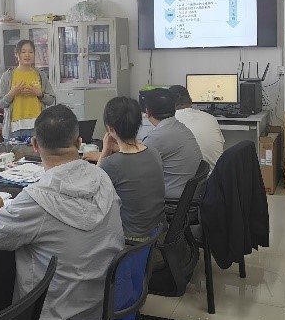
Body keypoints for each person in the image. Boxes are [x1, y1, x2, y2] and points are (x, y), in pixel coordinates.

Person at [0, 104, 124, 320]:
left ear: (34, 144)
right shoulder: (102, 177)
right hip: (108, 301)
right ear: (79, 142)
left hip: (61, 317)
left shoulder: (37, 199)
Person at [84, 96, 166, 240]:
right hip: (158, 231)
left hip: (133, 238)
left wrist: (105, 151)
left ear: (110, 129)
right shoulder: (154, 152)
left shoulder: (112, 164)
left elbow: (91, 192)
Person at [142, 88, 203, 199]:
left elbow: (135, 166)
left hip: (172, 200)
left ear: (148, 112)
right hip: (189, 196)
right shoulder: (180, 127)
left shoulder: (157, 136)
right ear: (174, 108)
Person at [0, 39, 55, 140]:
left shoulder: (41, 75)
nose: (27, 55)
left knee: (37, 150)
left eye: (30, 52)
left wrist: (40, 94)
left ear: (34, 54)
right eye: (23, 52)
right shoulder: (7, 76)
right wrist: (12, 93)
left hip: (37, 127)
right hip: (15, 128)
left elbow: (51, 100)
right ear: (17, 54)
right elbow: (1, 103)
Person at [169, 84, 224, 173]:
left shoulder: (171, 121)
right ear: (191, 100)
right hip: (216, 176)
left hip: (194, 179)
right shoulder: (210, 118)